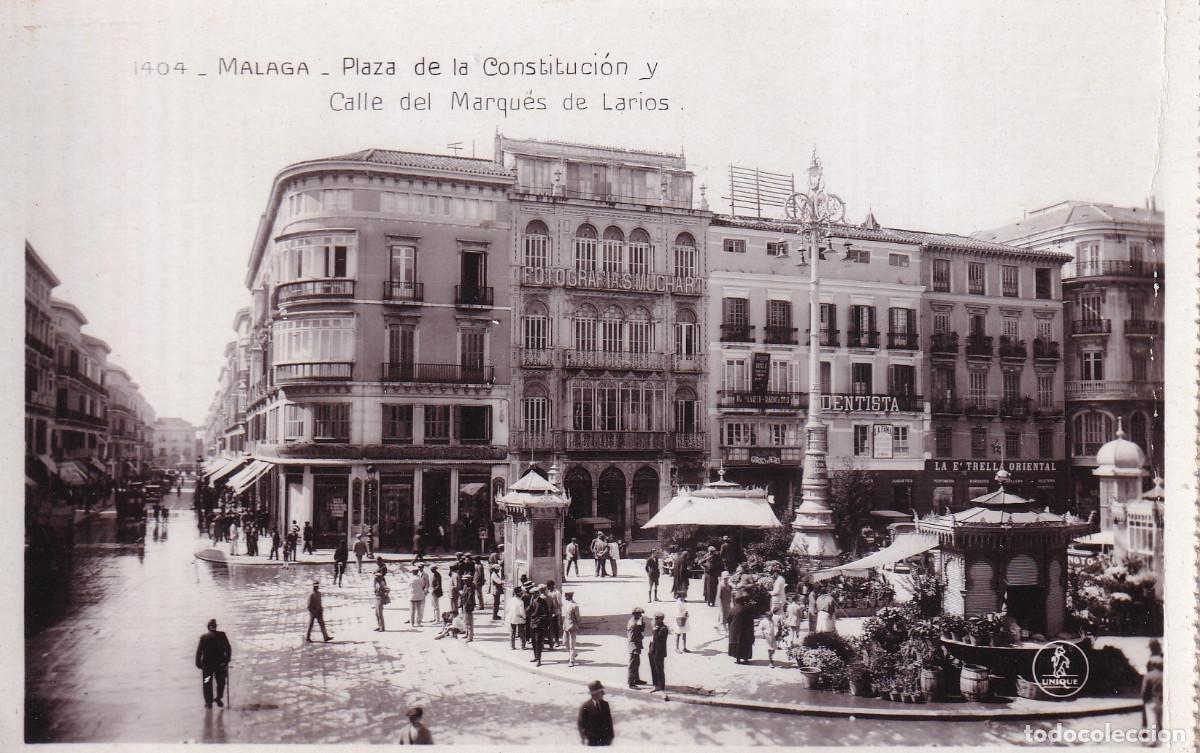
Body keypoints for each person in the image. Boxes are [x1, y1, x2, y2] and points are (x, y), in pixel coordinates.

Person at [195, 618, 232, 708]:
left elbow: (199, 652)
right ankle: (218, 697)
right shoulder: (222, 635)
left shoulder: (204, 637)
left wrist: (198, 663)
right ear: (215, 627)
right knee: (221, 682)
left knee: (207, 682)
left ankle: (209, 702)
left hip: (208, 665)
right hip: (220, 664)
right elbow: (228, 648)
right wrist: (227, 660)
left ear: (208, 628)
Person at [577, 680, 614, 747]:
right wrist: (585, 738)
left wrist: (611, 737)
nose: (603, 693)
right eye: (601, 692)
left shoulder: (605, 704)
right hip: (592, 742)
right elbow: (581, 724)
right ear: (594, 693)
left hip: (605, 741)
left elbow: (609, 722)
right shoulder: (586, 707)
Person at [727, 591, 755, 664]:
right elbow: (750, 620)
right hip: (745, 632)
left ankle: (738, 659)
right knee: (745, 644)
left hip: (735, 632)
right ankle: (745, 659)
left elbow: (729, 620)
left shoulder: (732, 609)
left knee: (737, 645)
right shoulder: (747, 609)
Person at [527, 584, 550, 665]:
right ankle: (535, 657)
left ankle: (539, 659)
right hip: (532, 624)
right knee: (533, 641)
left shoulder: (542, 601)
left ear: (537, 593)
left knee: (538, 641)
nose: (533, 595)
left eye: (534, 594)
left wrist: (539, 621)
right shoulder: (532, 601)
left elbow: (545, 614)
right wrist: (530, 604)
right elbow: (527, 611)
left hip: (539, 625)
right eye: (532, 594)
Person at [1142, 655, 1164, 741]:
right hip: (1163, 701)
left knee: (1152, 721)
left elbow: (1144, 690)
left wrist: (1145, 700)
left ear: (1153, 665)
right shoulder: (1165, 675)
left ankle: (1152, 741)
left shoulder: (1148, 676)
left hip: (1151, 701)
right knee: (1162, 722)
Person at [648, 612, 669, 692]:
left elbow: (657, 639)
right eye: (655, 618)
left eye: (657, 619)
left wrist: (654, 630)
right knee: (653, 668)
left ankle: (661, 686)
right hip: (653, 649)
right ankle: (656, 685)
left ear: (661, 619)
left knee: (659, 669)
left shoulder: (663, 628)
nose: (655, 620)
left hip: (659, 651)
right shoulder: (656, 627)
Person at [626, 607, 646, 688]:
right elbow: (632, 638)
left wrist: (642, 623)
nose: (641, 615)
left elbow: (641, 630)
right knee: (633, 664)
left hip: (636, 645)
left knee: (637, 663)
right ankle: (630, 682)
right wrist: (640, 638)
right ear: (635, 614)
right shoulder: (633, 624)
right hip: (634, 646)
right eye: (639, 614)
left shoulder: (636, 621)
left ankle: (636, 679)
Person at [562, 590, 582, 666]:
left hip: (572, 626)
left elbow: (578, 617)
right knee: (564, 642)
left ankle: (572, 660)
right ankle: (574, 654)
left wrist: (577, 625)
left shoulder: (575, 605)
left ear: (569, 596)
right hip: (566, 626)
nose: (565, 597)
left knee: (571, 644)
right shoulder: (566, 604)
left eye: (566, 595)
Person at [506, 586, 527, 650]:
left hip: (512, 617)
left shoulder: (510, 600)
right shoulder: (521, 602)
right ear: (519, 594)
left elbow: (507, 609)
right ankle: (522, 645)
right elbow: (522, 612)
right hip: (519, 618)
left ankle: (512, 646)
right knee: (521, 632)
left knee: (512, 632)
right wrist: (525, 617)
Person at [546, 580, 564, 648]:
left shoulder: (557, 593)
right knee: (550, 627)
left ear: (552, 585)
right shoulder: (549, 592)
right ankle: (552, 640)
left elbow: (560, 604)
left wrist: (555, 608)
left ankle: (557, 641)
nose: (548, 588)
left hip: (555, 612)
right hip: (550, 612)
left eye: (549, 586)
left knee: (555, 627)